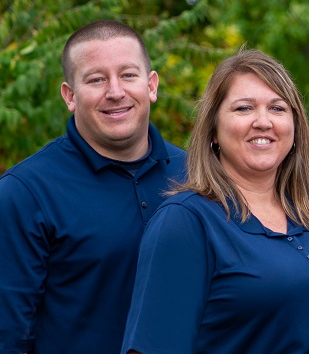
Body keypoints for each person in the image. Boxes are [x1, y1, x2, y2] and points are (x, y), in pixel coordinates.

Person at [121, 50, 309, 353]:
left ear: (295, 127)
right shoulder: (185, 221)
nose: (263, 121)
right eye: (244, 108)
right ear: (213, 130)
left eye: (277, 108)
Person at [0, 20, 186, 354]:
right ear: (70, 96)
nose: (115, 92)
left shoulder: (195, 175)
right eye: (96, 79)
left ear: (151, 85)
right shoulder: (24, 192)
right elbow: (8, 336)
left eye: (128, 75)